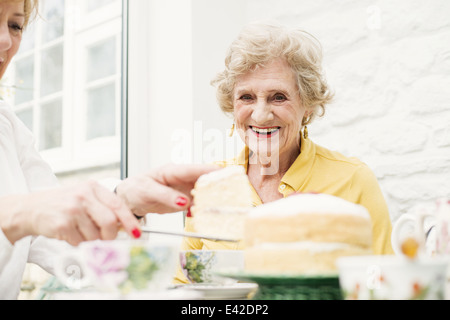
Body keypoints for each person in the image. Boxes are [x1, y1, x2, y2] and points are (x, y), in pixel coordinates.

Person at [0, 0, 219, 299]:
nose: (6, 40)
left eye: (15, 25)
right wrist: (17, 214)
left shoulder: (8, 127)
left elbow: (66, 244)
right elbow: (31, 212)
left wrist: (123, 201)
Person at [174, 22, 394, 283]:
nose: (261, 114)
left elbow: (383, 284)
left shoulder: (353, 179)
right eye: (246, 97)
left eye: (278, 97)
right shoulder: (210, 184)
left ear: (308, 105)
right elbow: (184, 284)